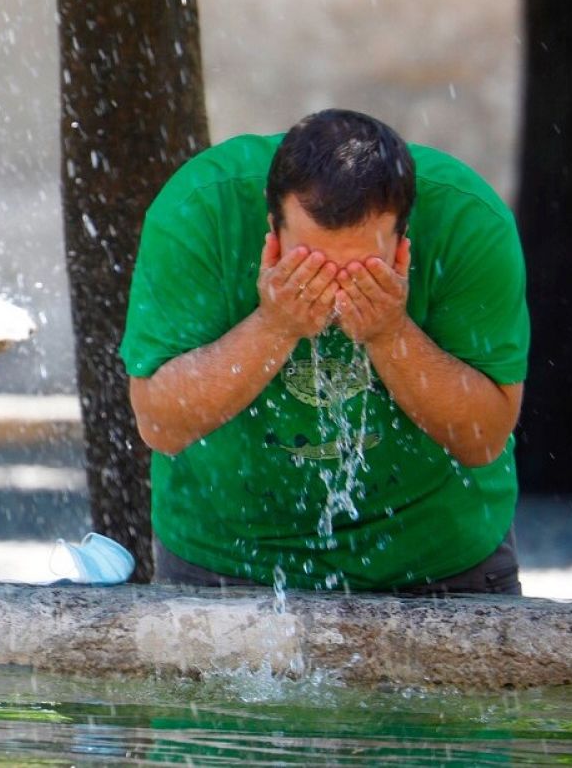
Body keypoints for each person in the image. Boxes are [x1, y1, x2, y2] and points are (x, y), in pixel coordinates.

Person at [120, 109, 528, 594]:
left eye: (363, 269)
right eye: (309, 264)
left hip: (440, 558)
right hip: (228, 556)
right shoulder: (199, 210)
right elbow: (159, 423)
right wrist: (273, 327)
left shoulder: (468, 222)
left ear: (404, 238)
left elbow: (483, 437)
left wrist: (390, 333)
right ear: (271, 229)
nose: (334, 290)